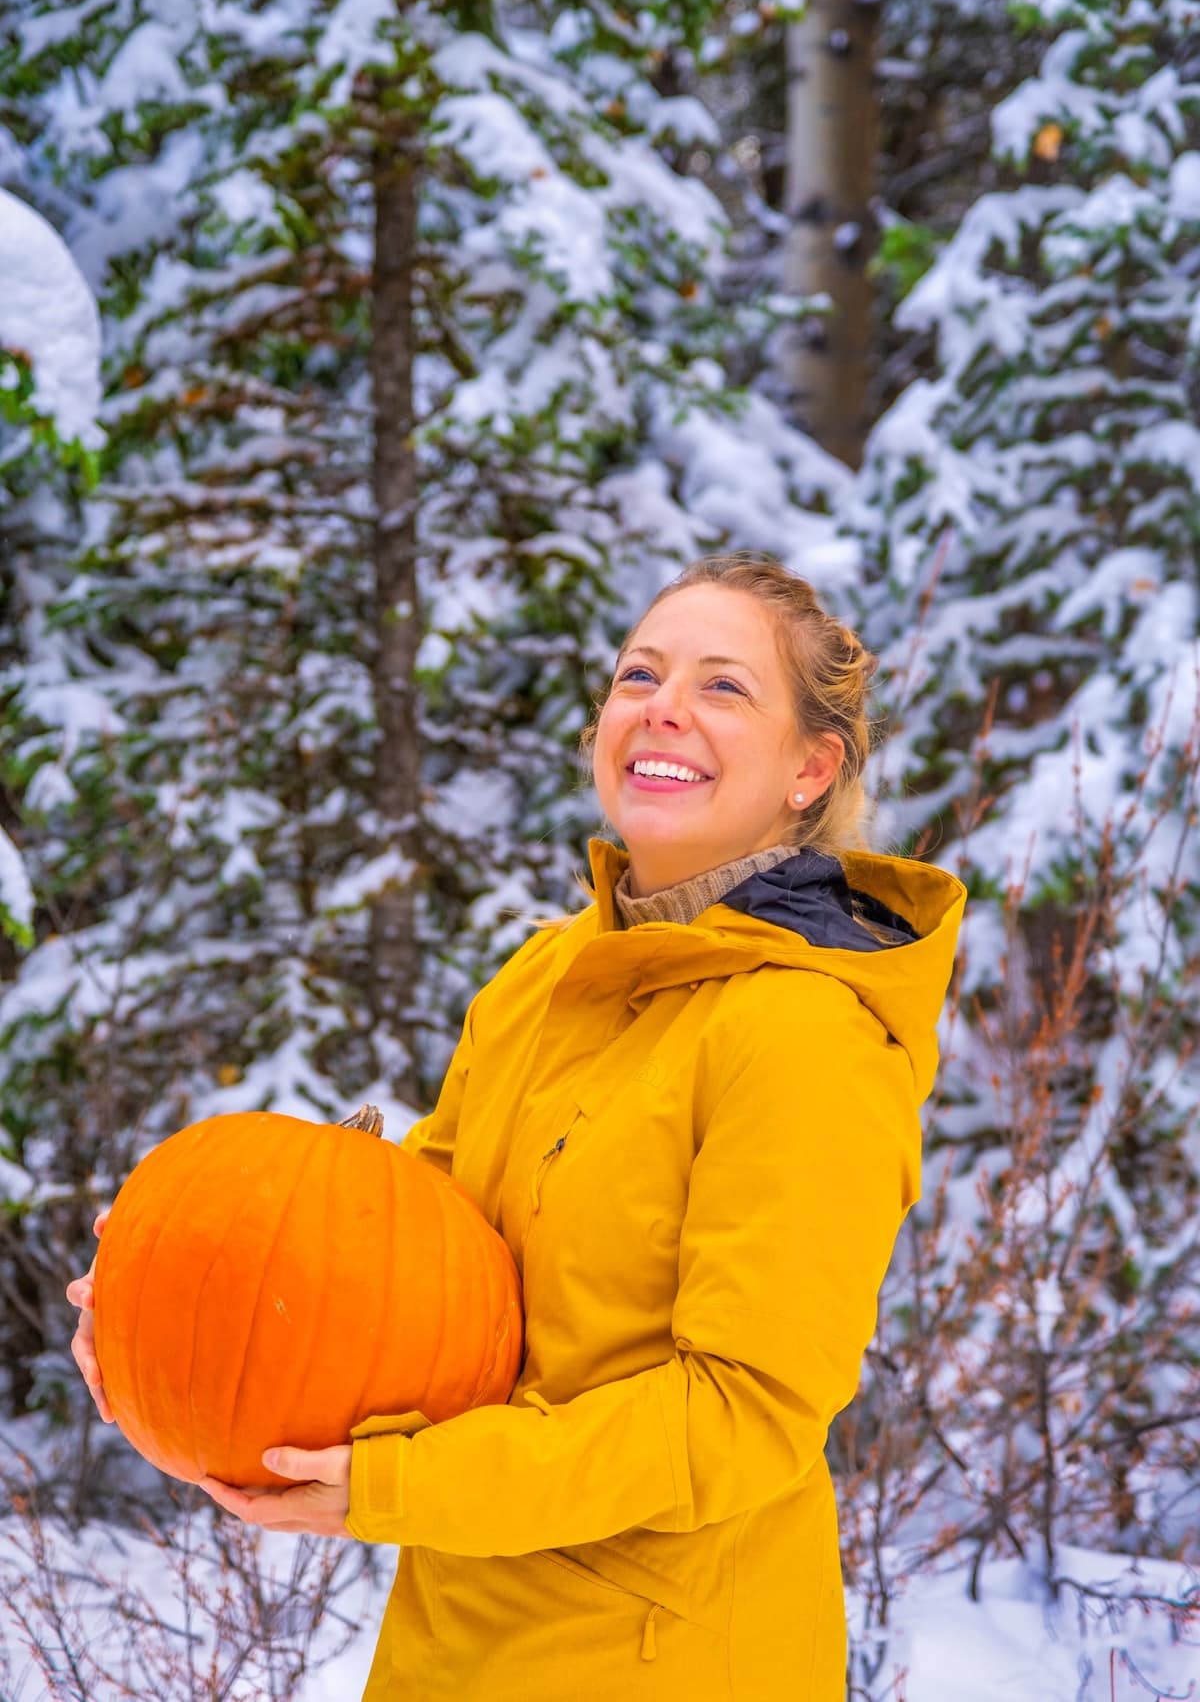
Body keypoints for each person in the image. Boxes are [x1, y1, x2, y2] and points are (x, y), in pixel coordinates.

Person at [68, 551, 966, 1699]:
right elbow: (418, 1277)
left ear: (811, 768)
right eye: (639, 672)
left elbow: (742, 1417)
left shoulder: (803, 1034)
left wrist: (398, 1489)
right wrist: (182, 1303)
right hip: (457, 1640)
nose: (662, 706)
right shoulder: (550, 973)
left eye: (724, 686)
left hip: (666, 1661)